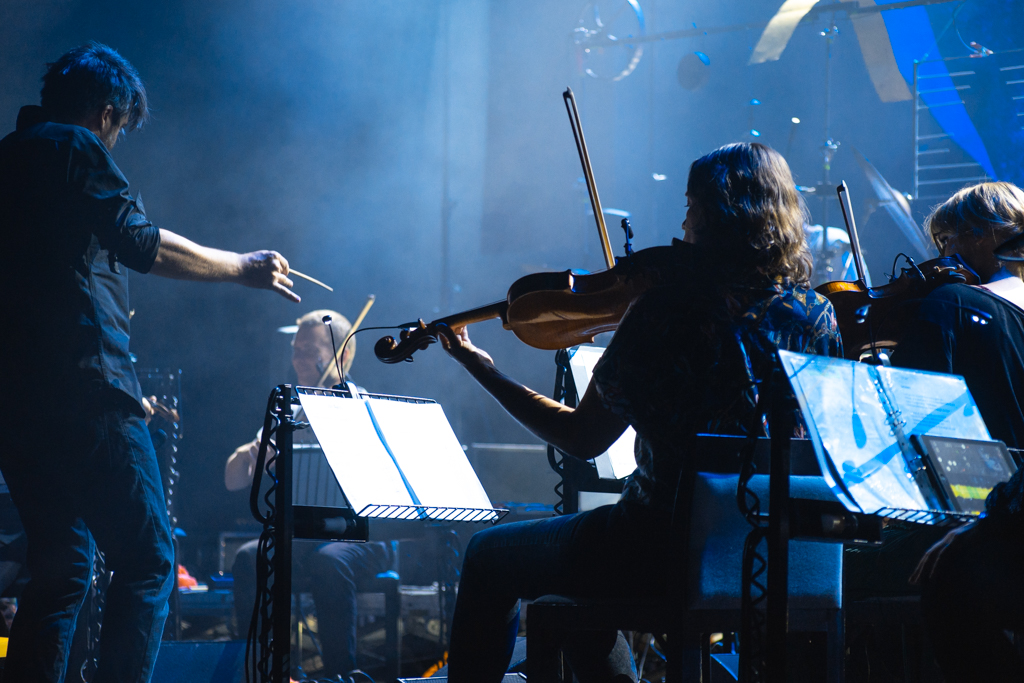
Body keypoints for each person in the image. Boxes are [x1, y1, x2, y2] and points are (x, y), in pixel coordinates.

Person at [434, 142, 842, 683]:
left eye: (692, 206)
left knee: (488, 555)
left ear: (720, 213)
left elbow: (582, 438)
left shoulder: (667, 309)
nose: (683, 222)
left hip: (659, 546)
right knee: (572, 597)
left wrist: (481, 368)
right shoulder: (817, 315)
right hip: (779, 548)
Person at [0, 42, 300, 683]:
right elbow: (141, 244)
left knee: (59, 569)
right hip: (88, 393)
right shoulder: (78, 148)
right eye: (122, 130)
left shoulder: (8, 157)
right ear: (109, 113)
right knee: (147, 560)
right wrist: (242, 268)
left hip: (20, 409)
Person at [894, 182, 1024, 682]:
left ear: (982, 237)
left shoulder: (951, 302)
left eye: (945, 241)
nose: (939, 257)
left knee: (834, 561)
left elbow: (906, 420)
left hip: (980, 520)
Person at [226, 310, 393, 679]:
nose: (299, 360)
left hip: (361, 535)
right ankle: (258, 668)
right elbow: (233, 479)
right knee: (247, 557)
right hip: (307, 534)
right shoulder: (292, 410)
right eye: (295, 350)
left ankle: (341, 674)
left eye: (309, 350)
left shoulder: (358, 403)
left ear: (343, 356)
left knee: (329, 561)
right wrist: (252, 452)